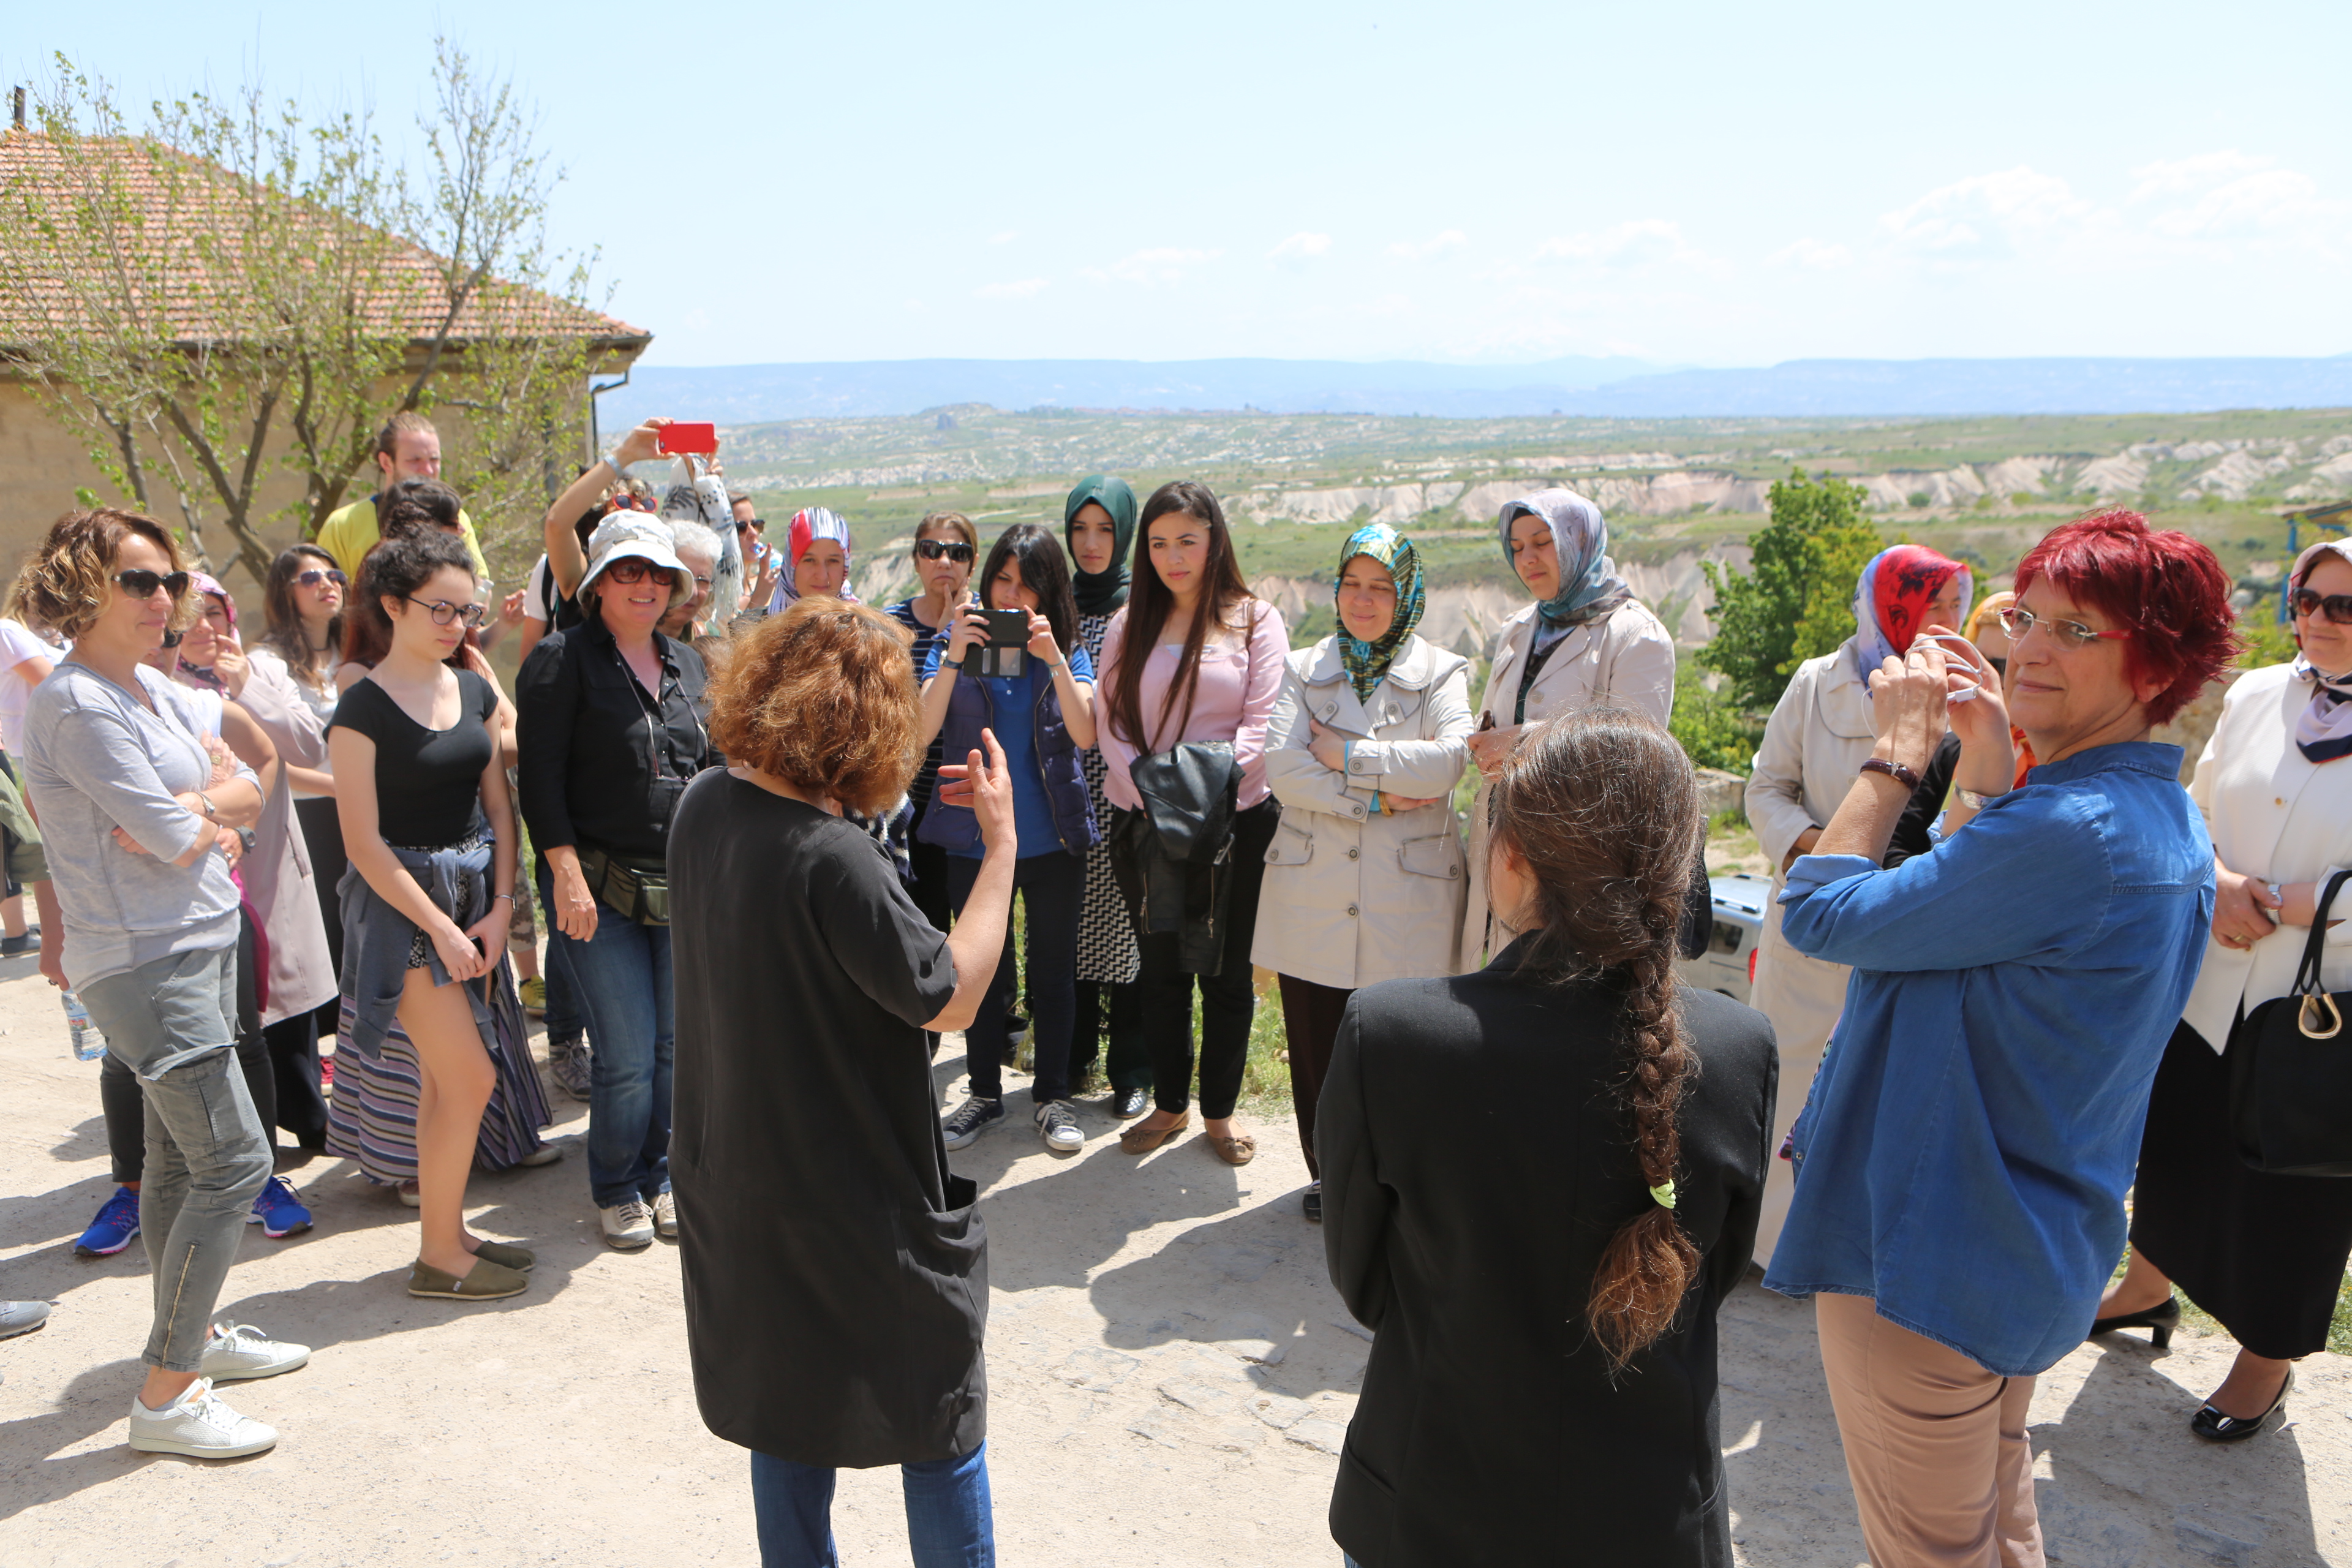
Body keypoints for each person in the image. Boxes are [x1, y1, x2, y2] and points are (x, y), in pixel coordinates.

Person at [1762, 510, 2233, 1566]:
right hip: (2018, 1248)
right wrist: (1984, 775)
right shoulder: (2156, 816)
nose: (2029, 650)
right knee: (1998, 1525)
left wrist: (1895, 759)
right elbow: (1986, 927)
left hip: (1926, 1262)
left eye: (2078, 631)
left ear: (2159, 665)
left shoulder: (2068, 831)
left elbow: (1823, 911)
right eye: (2029, 619)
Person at [1320, 704, 1775, 1566]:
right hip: (1651, 1519)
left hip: (1431, 1504)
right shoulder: (1740, 1047)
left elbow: (1366, 1282)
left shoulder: (1393, 1034)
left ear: (1514, 855)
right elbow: (1713, 1277)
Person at [669, 598, 1018, 1567]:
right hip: (855, 1204)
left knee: (786, 1414)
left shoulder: (704, 804)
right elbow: (949, 996)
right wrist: (998, 851)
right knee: (940, 1420)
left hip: (742, 1188)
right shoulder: (835, 858)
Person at [16, 507, 312, 1458]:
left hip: (200, 938)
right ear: (82, 586)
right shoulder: (77, 704)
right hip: (146, 964)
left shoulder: (146, 685)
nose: (164, 598)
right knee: (236, 1163)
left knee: (182, 1167)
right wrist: (207, 818)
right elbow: (178, 833)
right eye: (140, 581)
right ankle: (167, 1395)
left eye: (171, 581)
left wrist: (204, 812)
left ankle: (195, 1338)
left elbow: (244, 783)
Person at [2098, 536, 2352, 1441]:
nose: (2319, 619)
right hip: (2212, 975)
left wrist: (2283, 904)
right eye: (2307, 599)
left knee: (2294, 1184)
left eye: (2344, 606)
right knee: (2178, 1140)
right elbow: (2195, 811)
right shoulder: (2256, 694)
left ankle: (2265, 1360)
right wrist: (2218, 880)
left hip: (2322, 1006)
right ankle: (2147, 1286)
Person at [326, 531, 546, 1297]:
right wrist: (444, 929)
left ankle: (445, 1238)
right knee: (471, 1076)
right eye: (441, 609)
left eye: (468, 610)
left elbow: (499, 809)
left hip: (474, 903)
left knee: (441, 1084)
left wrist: (501, 908)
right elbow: (363, 844)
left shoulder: (475, 692)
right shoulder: (359, 710)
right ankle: (440, 1259)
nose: (458, 624)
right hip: (403, 915)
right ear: (393, 606)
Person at [1741, 542, 1972, 1264]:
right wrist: (1824, 850)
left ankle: (1848, 1256)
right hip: (1810, 918)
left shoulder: (1965, 693)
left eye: (1957, 604)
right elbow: (1765, 789)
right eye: (1932, 605)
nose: (1947, 620)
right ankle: (1766, 1246)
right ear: (1888, 606)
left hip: (1901, 923)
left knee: (1881, 1092)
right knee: (1788, 1078)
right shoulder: (1820, 681)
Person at [1254, 524, 1471, 1223]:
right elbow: (1283, 769)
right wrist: (1376, 797)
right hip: (1314, 890)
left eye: (1381, 587)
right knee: (1317, 1042)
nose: (1364, 600)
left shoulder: (1443, 671)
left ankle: (1398, 1178)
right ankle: (1331, 1175)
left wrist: (1347, 756)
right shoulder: (1303, 667)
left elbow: (1448, 763)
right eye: (1352, 584)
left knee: (1401, 1043)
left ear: (1407, 595)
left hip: (1408, 896)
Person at [520, 516, 717, 1249]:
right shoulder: (561, 659)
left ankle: (660, 1175)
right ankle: (616, 1186)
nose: (646, 586)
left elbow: (713, 768)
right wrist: (565, 875)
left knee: (673, 1047)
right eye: (629, 571)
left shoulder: (688, 664)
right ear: (599, 582)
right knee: (628, 1052)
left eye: (659, 574)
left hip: (682, 886)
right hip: (596, 888)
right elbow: (540, 780)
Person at [1097, 481, 1288, 1166]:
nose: (1172, 557)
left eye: (1187, 540)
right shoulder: (1129, 624)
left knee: (1229, 976)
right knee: (1161, 971)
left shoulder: (1256, 621)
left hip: (1234, 824)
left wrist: (1197, 799)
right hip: (1144, 823)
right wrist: (1156, 797)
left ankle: (1220, 1113)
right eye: (1158, 544)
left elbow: (1262, 725)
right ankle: (1171, 1103)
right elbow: (1111, 722)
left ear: (1215, 541)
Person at [922, 525, 1098, 1155]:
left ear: (1049, 592)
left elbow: (1085, 733)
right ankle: (984, 1094)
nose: (1011, 595)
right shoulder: (958, 640)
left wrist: (1054, 659)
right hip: (973, 838)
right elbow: (920, 731)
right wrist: (951, 655)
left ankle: (1052, 1096)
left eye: (1027, 585)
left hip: (1050, 838)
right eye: (1002, 579)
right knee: (978, 973)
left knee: (1053, 972)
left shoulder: (1066, 648)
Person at [1460, 489, 1675, 973]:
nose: (1527, 559)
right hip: (1505, 842)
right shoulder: (1520, 627)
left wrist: (1522, 742)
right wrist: (1484, 740)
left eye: (1543, 542)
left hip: (1581, 858)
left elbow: (1635, 754)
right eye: (1517, 547)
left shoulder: (1636, 635)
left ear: (1580, 542)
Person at [172, 574, 339, 1164]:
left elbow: (308, 747)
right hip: (204, 858)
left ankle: (309, 1118)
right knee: (231, 1003)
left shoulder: (262, 671)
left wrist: (246, 684)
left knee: (288, 1000)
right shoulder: (157, 687)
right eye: (189, 616)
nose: (204, 627)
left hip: (272, 855)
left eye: (214, 613)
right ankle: (246, 1137)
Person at [1060, 478, 1148, 1117]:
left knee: (1128, 925)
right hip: (1064, 791)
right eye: (1080, 530)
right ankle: (1071, 1058)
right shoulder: (1054, 606)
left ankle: (1133, 1070)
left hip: (1124, 790)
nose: (1092, 544)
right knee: (1068, 923)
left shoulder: (1143, 608)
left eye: (1106, 530)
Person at [886, 511, 981, 936]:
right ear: (916, 559)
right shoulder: (892, 626)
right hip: (912, 802)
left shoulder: (988, 625)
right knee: (925, 929)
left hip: (971, 803)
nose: (944, 561)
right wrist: (941, 644)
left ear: (972, 564)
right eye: (932, 550)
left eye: (957, 552)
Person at [316, 412, 493, 583]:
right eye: (415, 461)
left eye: (434, 460)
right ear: (386, 462)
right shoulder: (343, 525)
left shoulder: (455, 518)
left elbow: (481, 586)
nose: (428, 470)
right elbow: (324, 591)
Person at [0, 607, 62, 953]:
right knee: (27, 835)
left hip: (19, 744)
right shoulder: (8, 631)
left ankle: (19, 933)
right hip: (33, 743)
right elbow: (50, 680)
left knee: (18, 836)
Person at [772, 507, 858, 609]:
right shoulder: (761, 619)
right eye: (810, 560)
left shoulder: (861, 619)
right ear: (790, 564)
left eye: (833, 561)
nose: (822, 576)